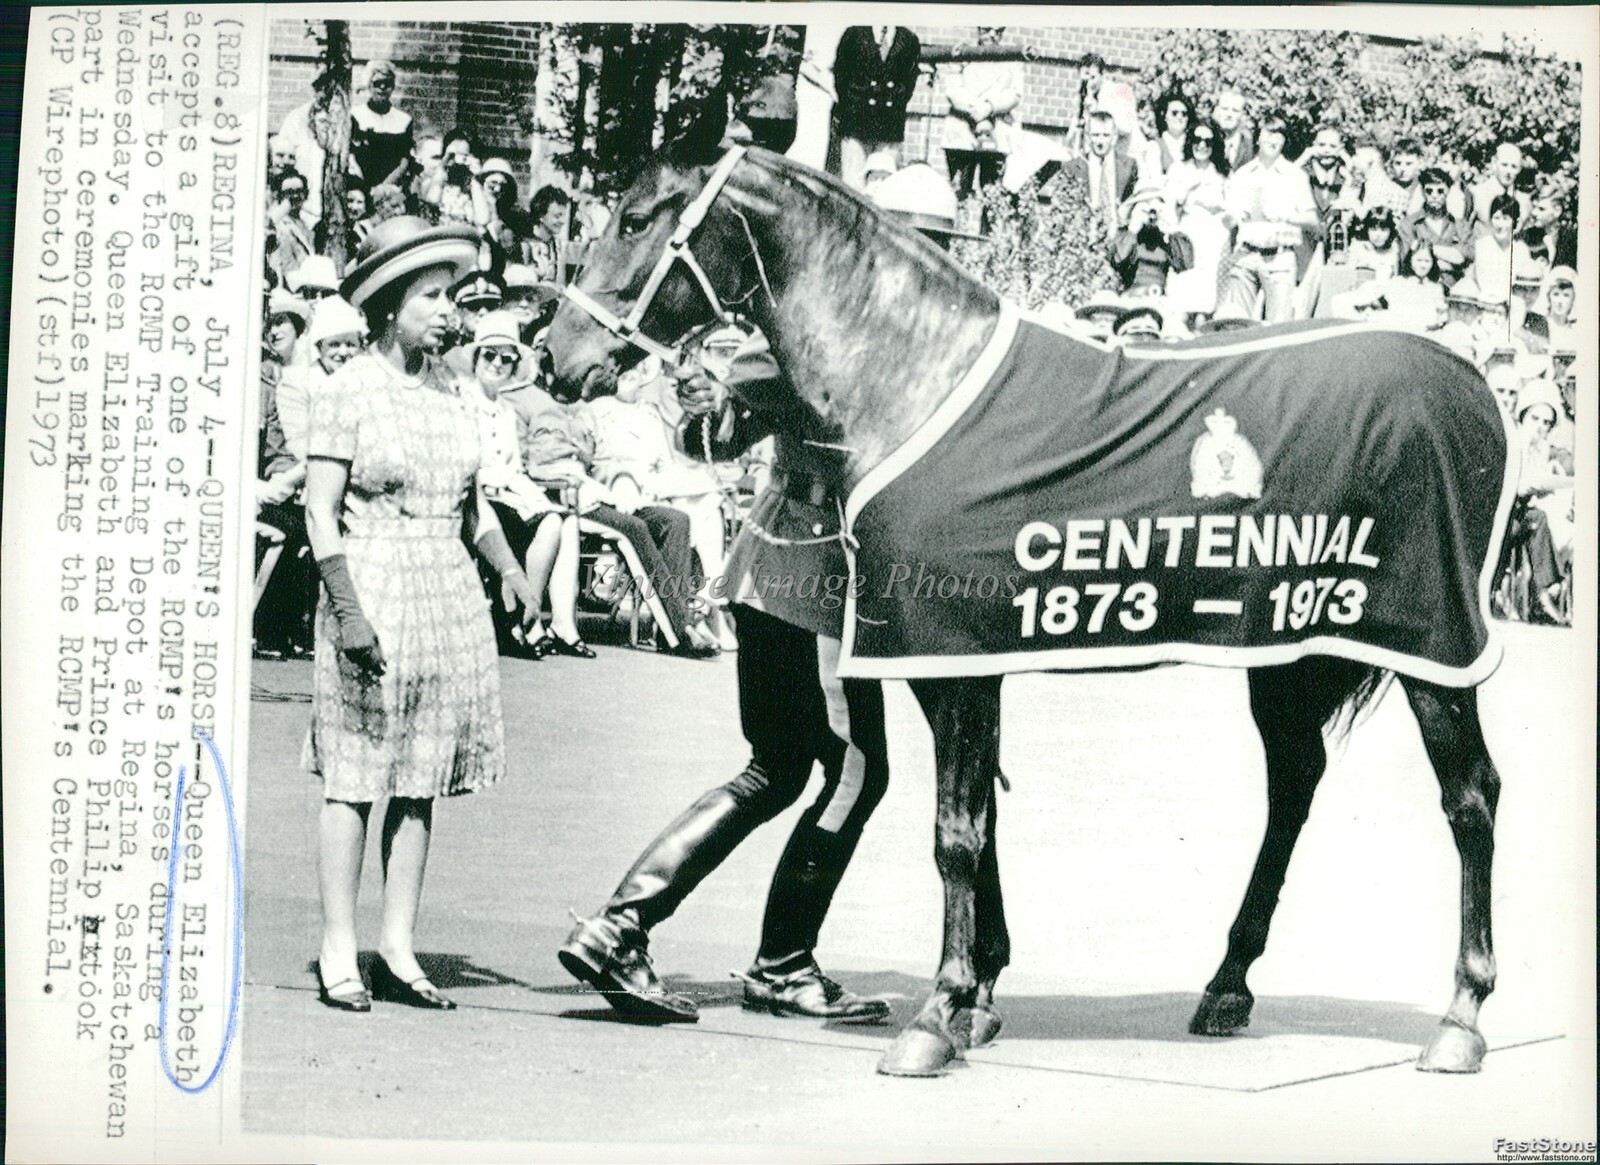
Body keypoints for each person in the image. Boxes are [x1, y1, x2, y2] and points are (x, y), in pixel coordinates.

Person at [557, 168, 979, 1023]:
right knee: (856, 774)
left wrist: (720, 402)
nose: (925, 260)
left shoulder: (818, 334)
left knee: (777, 769)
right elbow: (713, 431)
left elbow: (709, 434)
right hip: (818, 584)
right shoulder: (858, 346)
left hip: (766, 573)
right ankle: (780, 961)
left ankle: (621, 923)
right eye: (922, 242)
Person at [303, 217, 539, 1011]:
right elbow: (319, 510)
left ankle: (397, 946)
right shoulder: (346, 391)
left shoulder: (456, 394)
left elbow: (475, 511)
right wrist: (347, 609)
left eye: (453, 297)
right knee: (355, 774)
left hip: (447, 596)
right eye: (431, 296)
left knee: (420, 778)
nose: (449, 312)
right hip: (370, 588)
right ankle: (340, 948)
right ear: (388, 303)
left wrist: (510, 570)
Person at [462, 310, 588, 660]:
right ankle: (521, 622)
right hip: (476, 497)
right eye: (490, 355)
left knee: (554, 520)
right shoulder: (463, 400)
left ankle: (524, 615)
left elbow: (514, 467)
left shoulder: (504, 408)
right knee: (542, 522)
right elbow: (470, 464)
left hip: (506, 491)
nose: (498, 364)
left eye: (507, 358)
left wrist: (533, 499)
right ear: (476, 357)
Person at [1218, 113, 1319, 322]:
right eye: (1268, 133)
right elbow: (1229, 219)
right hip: (1246, 257)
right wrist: (1232, 217)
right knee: (1238, 324)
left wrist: (1287, 216)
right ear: (1258, 137)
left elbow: (1312, 220)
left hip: (1280, 260)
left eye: (1279, 135)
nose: (1273, 140)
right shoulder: (1243, 174)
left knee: (1278, 327)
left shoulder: (1295, 175)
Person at [832, 24, 922, 190]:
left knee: (883, 186)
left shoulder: (909, 40)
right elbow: (841, 77)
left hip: (889, 127)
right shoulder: (854, 34)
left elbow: (909, 83)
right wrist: (853, 106)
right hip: (856, 123)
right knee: (852, 185)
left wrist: (894, 106)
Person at [939, 26, 1021, 197]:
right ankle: (959, 221)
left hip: (997, 133)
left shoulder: (1012, 57)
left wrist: (990, 107)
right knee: (958, 190)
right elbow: (952, 86)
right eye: (988, 28)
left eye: (999, 30)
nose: (993, 35)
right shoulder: (963, 52)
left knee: (993, 194)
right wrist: (973, 108)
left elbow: (1015, 93)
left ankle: (989, 224)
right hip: (962, 131)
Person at [1162, 116, 1231, 319]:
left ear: (1215, 145)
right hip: (1187, 243)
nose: (1201, 146)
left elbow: (1233, 208)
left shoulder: (1223, 174)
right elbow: (1168, 209)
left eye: (1208, 142)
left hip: (1215, 244)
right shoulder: (1178, 170)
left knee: (1208, 307)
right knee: (1182, 305)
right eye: (1196, 139)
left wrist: (1218, 206)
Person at [1062, 110, 1138, 237]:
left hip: (1118, 240)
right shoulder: (1073, 167)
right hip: (1084, 237)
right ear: (1087, 136)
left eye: (1106, 135)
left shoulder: (1129, 167)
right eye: (1096, 135)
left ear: (1114, 137)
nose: (1100, 141)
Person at [1401, 166, 1473, 289]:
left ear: (1448, 191)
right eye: (1429, 191)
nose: (1434, 195)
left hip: (1454, 288)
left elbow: (1463, 258)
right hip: (1419, 286)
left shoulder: (1460, 225)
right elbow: (1407, 261)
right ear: (1423, 191)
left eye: (1440, 191)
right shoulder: (1409, 223)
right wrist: (1448, 260)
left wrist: (1425, 248)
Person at [349, 60, 415, 191]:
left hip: (391, 188)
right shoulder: (355, 115)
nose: (383, 88)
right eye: (378, 83)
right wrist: (363, 187)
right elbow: (350, 155)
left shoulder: (404, 120)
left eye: (388, 83)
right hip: (359, 186)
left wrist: (384, 188)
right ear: (369, 85)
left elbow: (404, 160)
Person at [523, 185, 573, 284]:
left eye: (564, 215)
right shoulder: (525, 244)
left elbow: (560, 285)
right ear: (541, 214)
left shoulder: (557, 247)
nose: (562, 221)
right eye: (557, 216)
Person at [1210, 87, 1253, 172]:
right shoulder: (1207, 139)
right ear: (1217, 110)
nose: (1229, 115)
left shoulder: (1250, 143)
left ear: (1243, 114)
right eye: (1225, 109)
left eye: (1235, 110)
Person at [1154, 90, 1193, 174]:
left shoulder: (1194, 144)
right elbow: (1155, 179)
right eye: (1174, 113)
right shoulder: (1155, 146)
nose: (1179, 117)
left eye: (1184, 114)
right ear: (1165, 116)